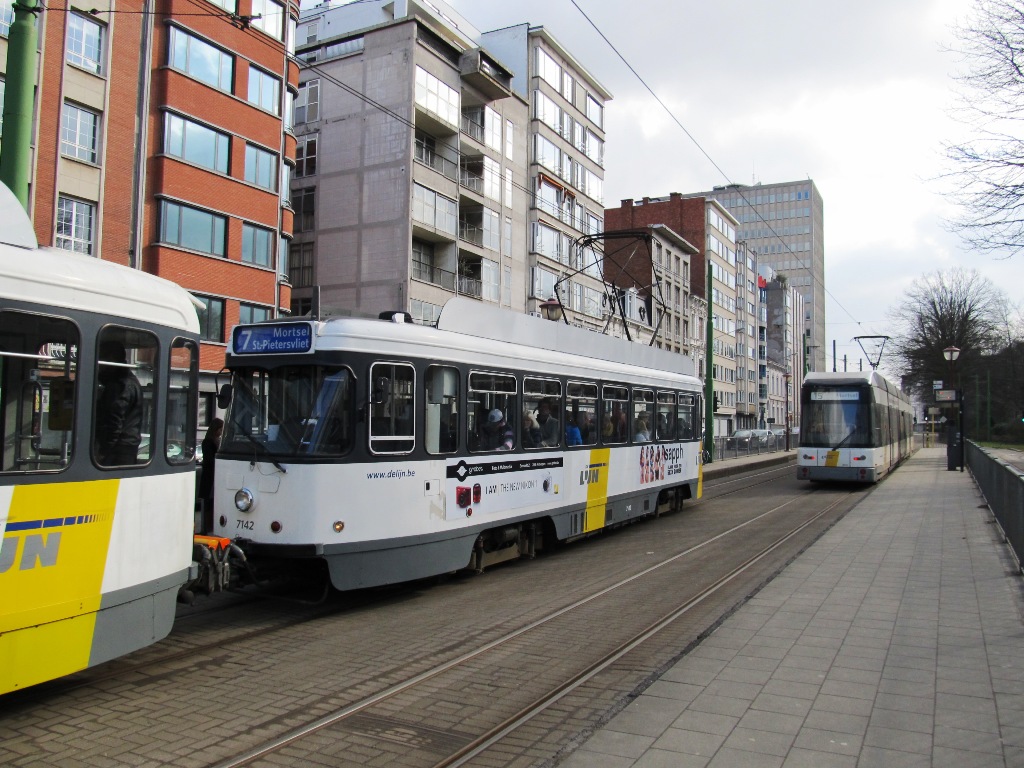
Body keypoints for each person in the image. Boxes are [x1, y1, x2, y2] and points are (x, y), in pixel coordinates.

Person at [95, 340, 143, 466]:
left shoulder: (119, 385)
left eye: (101, 358)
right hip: (126, 446)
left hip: (118, 450)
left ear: (111, 359)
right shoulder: (130, 381)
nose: (99, 364)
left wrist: (104, 450)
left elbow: (114, 421)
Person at [198, 418, 223, 533]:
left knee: (211, 501)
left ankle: (209, 526)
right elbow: (209, 460)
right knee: (208, 502)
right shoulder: (208, 442)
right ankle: (207, 527)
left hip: (213, 476)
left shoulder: (216, 441)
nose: (221, 432)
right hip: (209, 476)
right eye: (220, 429)